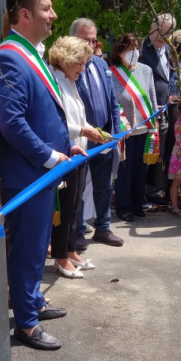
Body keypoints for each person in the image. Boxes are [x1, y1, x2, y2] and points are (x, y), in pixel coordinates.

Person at [0, 0, 78, 351]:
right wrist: (50, 155)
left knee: (37, 245)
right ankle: (25, 324)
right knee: (26, 250)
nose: (54, 15)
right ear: (25, 15)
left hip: (42, 173)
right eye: (46, 9)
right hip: (28, 176)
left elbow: (41, 113)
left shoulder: (32, 53)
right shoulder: (9, 56)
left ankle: (33, 302)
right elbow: (12, 123)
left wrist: (64, 145)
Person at [48, 36, 109, 279]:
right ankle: (61, 257)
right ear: (66, 60)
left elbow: (78, 117)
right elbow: (58, 122)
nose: (83, 68)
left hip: (80, 152)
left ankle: (71, 250)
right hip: (65, 154)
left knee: (74, 207)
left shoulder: (70, 80)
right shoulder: (55, 80)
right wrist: (84, 130)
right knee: (65, 209)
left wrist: (94, 131)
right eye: (80, 63)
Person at [70, 17, 124, 249]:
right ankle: (78, 231)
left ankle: (103, 228)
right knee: (79, 188)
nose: (91, 46)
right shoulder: (68, 67)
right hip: (81, 137)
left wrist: (117, 132)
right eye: (85, 40)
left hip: (104, 136)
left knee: (104, 185)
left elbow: (112, 100)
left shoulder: (102, 65)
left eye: (94, 40)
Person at [111, 33, 159, 222]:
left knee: (141, 170)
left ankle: (137, 204)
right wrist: (122, 124)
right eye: (129, 48)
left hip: (145, 128)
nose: (134, 52)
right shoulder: (112, 73)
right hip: (126, 132)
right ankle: (124, 207)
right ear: (120, 51)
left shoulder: (146, 70)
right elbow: (114, 103)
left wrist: (154, 127)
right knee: (125, 171)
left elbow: (152, 98)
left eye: (136, 47)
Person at [139, 13, 176, 202]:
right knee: (147, 153)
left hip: (166, 111)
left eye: (168, 32)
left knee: (159, 153)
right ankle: (142, 192)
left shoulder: (169, 50)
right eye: (160, 30)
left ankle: (154, 190)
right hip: (146, 112)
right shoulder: (140, 50)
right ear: (151, 28)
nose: (163, 35)